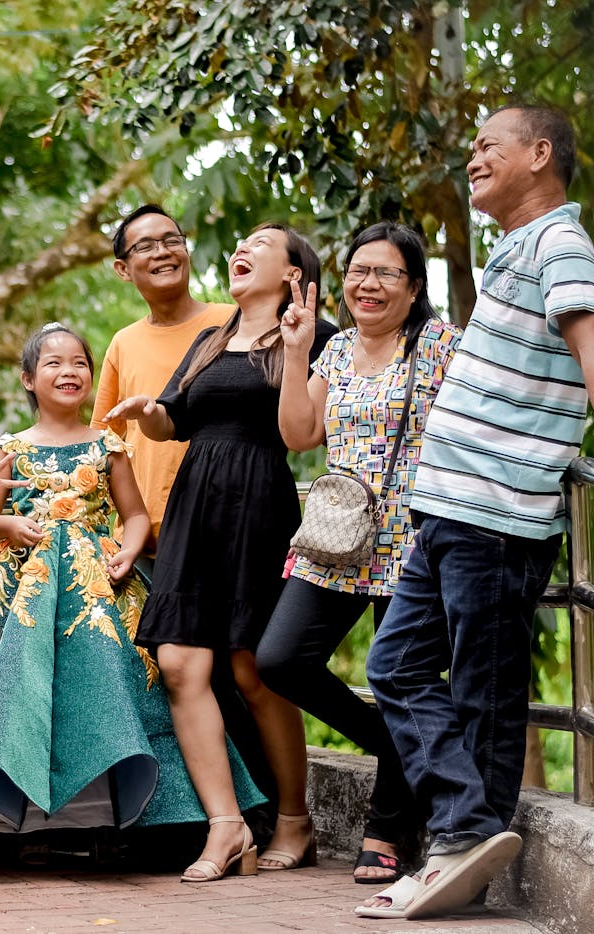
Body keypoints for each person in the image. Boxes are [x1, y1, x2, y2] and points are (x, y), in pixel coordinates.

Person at [359, 105, 594, 921]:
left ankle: (460, 855)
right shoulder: (510, 250)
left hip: (499, 511)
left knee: (486, 700)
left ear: (540, 154)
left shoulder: (560, 244)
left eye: (490, 143)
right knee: (392, 668)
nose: (474, 156)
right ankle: (463, 837)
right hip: (450, 506)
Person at [0, 323, 265, 836]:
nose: (69, 372)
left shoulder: (107, 446)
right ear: (27, 379)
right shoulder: (12, 447)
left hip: (98, 586)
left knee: (109, 685)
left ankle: (112, 817)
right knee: (19, 688)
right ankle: (12, 817)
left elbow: (135, 515)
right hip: (22, 586)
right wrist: (8, 524)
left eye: (79, 363)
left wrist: (130, 548)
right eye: (53, 363)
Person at [106, 224, 337, 882]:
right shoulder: (211, 341)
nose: (242, 248)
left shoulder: (314, 338)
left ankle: (294, 818)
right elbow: (171, 419)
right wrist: (146, 411)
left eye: (261, 245)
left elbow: (302, 434)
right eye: (240, 243)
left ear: (294, 273)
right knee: (179, 661)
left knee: (252, 671)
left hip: (258, 505)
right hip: (193, 509)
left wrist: (295, 350)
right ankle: (225, 825)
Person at [257, 222, 461, 885]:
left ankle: (386, 831)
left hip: (413, 537)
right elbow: (298, 433)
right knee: (279, 659)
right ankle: (404, 740)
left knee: (398, 676)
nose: (367, 284)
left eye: (386, 273)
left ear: (415, 286)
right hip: (339, 533)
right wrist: (294, 353)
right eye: (357, 271)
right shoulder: (335, 348)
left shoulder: (437, 344)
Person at [91, 205, 236, 548]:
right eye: (145, 246)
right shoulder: (123, 343)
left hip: (224, 529)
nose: (163, 252)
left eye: (172, 240)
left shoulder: (233, 323)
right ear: (123, 269)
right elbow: (101, 446)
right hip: (143, 540)